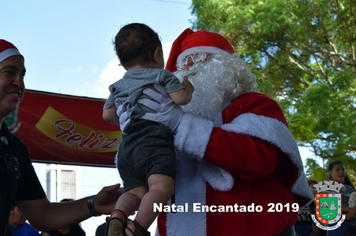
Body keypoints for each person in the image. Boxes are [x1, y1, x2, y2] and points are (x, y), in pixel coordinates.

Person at [118, 28, 315, 235]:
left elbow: (257, 159)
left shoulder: (254, 104)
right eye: (183, 63)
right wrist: (139, 133)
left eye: (198, 56)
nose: (189, 67)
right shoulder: (167, 117)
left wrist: (181, 124)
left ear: (227, 65)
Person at [0, 39, 123, 235]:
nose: (19, 82)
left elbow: (42, 214)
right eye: (9, 72)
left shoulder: (15, 149)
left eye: (22, 75)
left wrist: (95, 204)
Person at [102, 23, 193, 236]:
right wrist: (188, 85)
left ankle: (118, 216)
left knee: (136, 191)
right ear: (157, 53)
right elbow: (182, 98)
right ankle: (138, 228)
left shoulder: (118, 85)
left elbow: (107, 115)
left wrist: (127, 116)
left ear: (122, 63)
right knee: (161, 188)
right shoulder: (162, 76)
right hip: (154, 140)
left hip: (127, 146)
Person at [326, 160, 356, 236]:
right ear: (330, 172)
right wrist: (349, 211)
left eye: (343, 169)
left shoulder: (350, 188)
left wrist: (353, 211)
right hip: (336, 228)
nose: (341, 172)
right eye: (337, 169)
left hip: (352, 227)